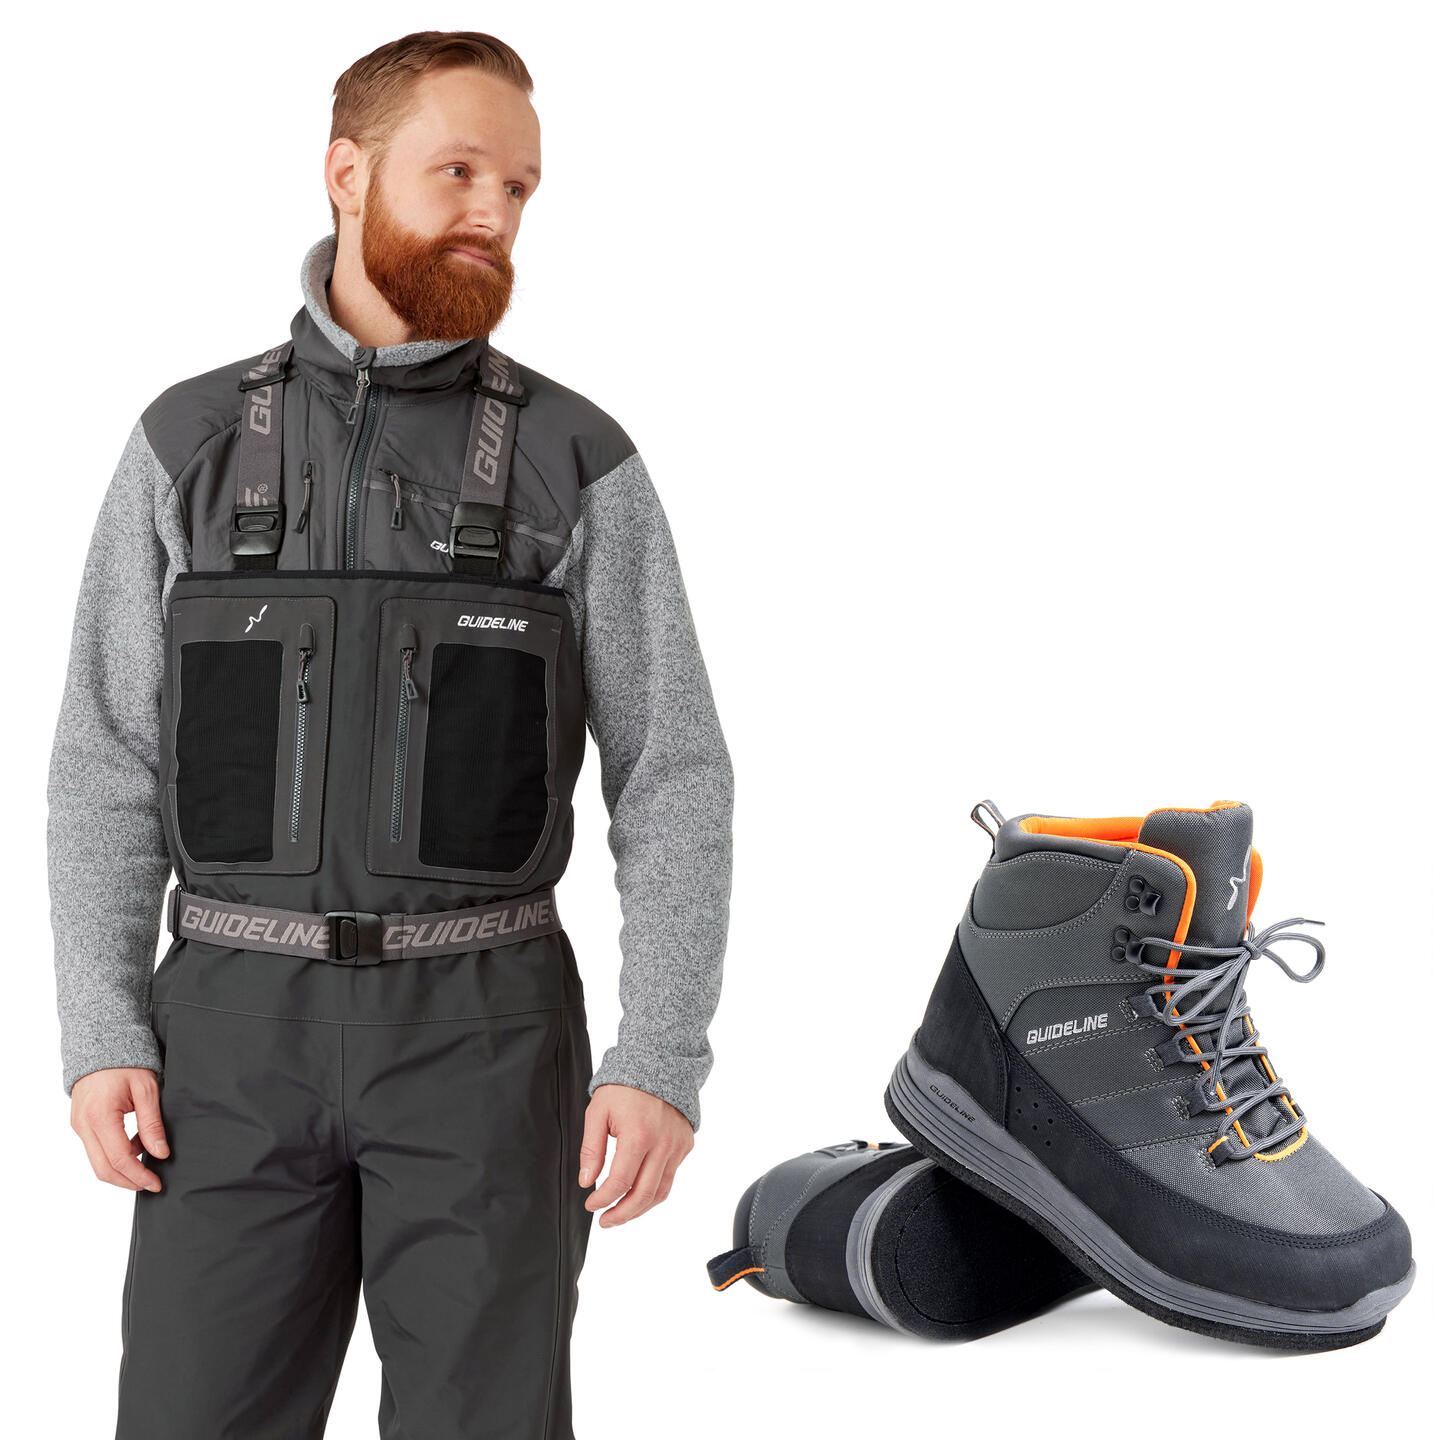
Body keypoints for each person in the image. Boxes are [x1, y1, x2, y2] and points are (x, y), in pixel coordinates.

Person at [46, 30, 733, 1439]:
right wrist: (100, 1025)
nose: (495, 212)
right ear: (346, 173)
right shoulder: (186, 443)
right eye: (459, 171)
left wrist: (659, 1054)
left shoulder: (576, 458)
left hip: (487, 1037)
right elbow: (105, 759)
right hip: (226, 1041)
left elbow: (674, 772)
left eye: (520, 187)